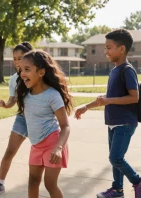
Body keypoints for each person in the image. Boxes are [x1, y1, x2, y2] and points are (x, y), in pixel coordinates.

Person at [75, 29, 141, 198]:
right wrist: (86, 107)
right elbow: (108, 97)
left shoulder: (127, 70)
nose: (105, 51)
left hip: (125, 122)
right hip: (113, 121)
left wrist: (109, 101)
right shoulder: (114, 71)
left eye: (109, 47)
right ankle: (117, 190)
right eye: (105, 47)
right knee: (116, 159)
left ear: (122, 49)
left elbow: (134, 97)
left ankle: (137, 181)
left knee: (116, 158)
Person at [17, 50, 72, 198]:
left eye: (27, 69)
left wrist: (58, 148)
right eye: (21, 69)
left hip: (53, 144)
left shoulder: (52, 95)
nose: (22, 73)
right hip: (36, 145)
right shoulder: (26, 95)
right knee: (33, 181)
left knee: (49, 184)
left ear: (41, 72)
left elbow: (65, 126)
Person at [0, 42, 33, 197]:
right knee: (9, 152)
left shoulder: (40, 75)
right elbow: (12, 100)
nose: (17, 62)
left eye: (20, 58)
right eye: (15, 58)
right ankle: (0, 183)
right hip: (22, 118)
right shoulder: (14, 79)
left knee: (41, 158)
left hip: (40, 120)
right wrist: (5, 105)